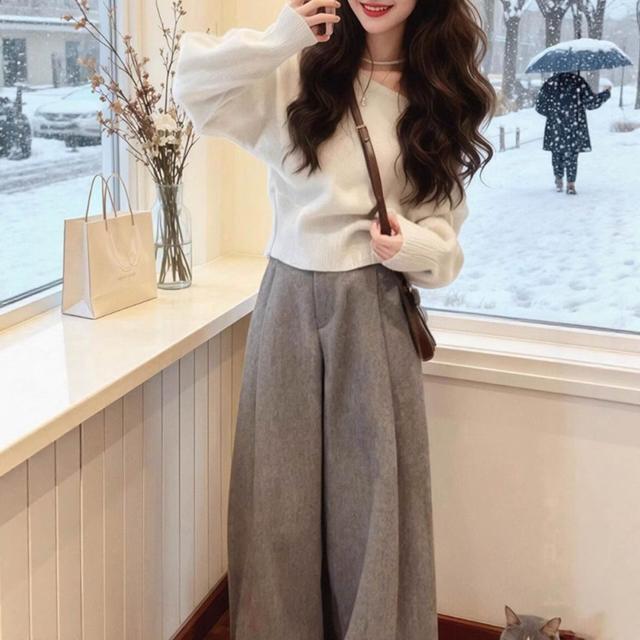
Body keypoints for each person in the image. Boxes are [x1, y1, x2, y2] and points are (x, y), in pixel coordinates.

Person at [172, 1, 493, 638]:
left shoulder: (438, 97)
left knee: (373, 514)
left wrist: (411, 247)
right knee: (277, 509)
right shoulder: (297, 73)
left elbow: (446, 248)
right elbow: (192, 85)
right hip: (288, 305)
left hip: (374, 311)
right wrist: (283, 36)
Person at [535, 71, 611, 195]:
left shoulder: (550, 83)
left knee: (557, 152)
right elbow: (591, 103)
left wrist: (554, 113)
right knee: (572, 154)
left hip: (555, 126)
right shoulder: (578, 81)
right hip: (575, 124)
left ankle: (558, 178)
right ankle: (571, 183)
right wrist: (606, 94)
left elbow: (539, 106)